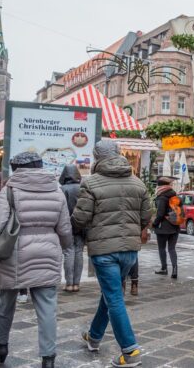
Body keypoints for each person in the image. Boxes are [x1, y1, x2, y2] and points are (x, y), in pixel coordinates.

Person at [0, 152, 72, 368]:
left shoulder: (10, 190)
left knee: (6, 303)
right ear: (40, 166)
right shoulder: (56, 190)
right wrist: (63, 246)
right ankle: (48, 358)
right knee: (47, 308)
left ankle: (0, 345)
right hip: (48, 253)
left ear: (16, 168)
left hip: (14, 253)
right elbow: (65, 230)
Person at [72, 140, 152, 368]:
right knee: (110, 294)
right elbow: (147, 216)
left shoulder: (91, 183)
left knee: (114, 297)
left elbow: (80, 218)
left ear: (97, 158)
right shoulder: (137, 183)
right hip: (129, 251)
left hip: (104, 251)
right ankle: (94, 336)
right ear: (118, 154)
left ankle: (130, 351)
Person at [60, 165, 84, 292]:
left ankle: (69, 283)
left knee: (68, 252)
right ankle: (76, 284)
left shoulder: (62, 189)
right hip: (81, 225)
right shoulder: (82, 188)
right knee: (79, 252)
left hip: (66, 225)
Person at [153, 176, 180, 279]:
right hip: (175, 226)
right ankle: (175, 269)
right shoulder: (174, 195)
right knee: (172, 248)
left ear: (160, 186)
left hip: (163, 227)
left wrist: (154, 224)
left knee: (161, 248)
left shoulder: (161, 197)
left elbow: (160, 214)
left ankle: (164, 269)